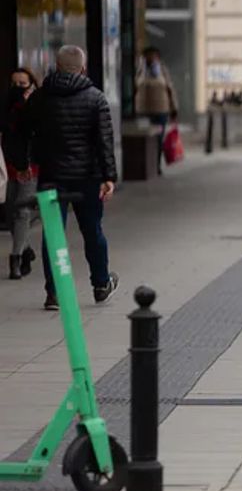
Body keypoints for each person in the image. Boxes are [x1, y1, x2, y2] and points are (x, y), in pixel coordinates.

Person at [11, 46, 119, 311]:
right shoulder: (96, 98)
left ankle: (54, 293)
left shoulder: (39, 98)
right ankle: (101, 284)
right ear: (82, 68)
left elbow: (20, 131)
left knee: (53, 233)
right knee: (92, 230)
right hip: (88, 177)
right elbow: (104, 141)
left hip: (51, 175)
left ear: (56, 67)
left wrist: (22, 164)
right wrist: (109, 177)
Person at [3, 69, 39, 280]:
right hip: (8, 165)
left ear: (31, 84)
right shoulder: (6, 106)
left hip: (30, 166)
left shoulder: (37, 105)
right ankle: (25, 249)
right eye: (14, 83)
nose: (18, 87)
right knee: (9, 212)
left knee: (22, 211)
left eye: (22, 83)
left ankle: (15, 258)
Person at [134, 47, 178, 175]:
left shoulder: (162, 71)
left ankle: (157, 165)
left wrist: (174, 108)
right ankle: (143, 166)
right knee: (143, 140)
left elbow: (170, 89)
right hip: (143, 110)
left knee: (158, 140)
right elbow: (134, 85)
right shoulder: (140, 70)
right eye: (147, 56)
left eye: (153, 56)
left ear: (158, 57)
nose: (150, 58)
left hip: (160, 110)